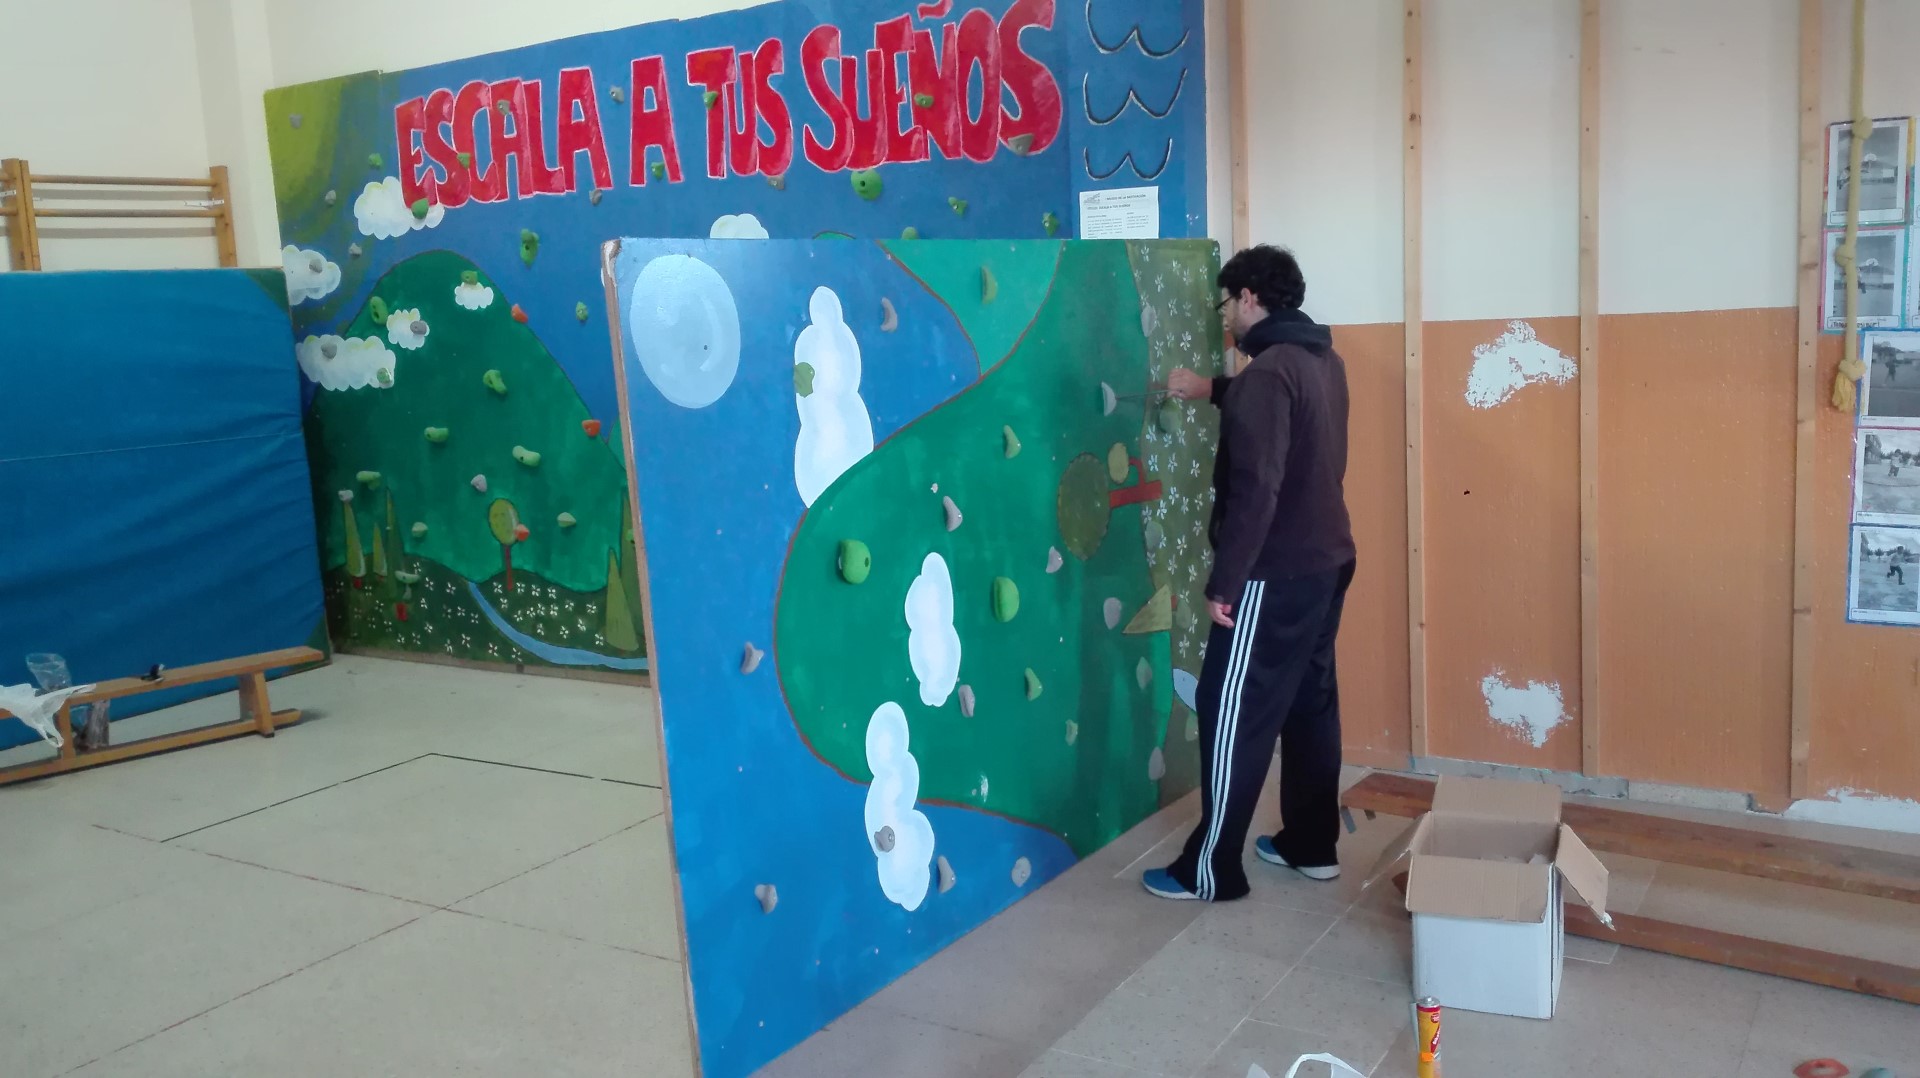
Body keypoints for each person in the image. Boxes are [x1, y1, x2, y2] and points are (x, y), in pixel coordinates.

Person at [1140, 244, 1357, 903]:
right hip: (1327, 561)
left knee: (1229, 707)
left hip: (1273, 572)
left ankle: (1210, 869)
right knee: (1309, 702)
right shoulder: (1321, 361)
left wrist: (1225, 582)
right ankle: (1311, 845)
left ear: (1249, 298)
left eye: (1227, 304)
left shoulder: (1268, 375)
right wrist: (1210, 389)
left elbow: (1256, 490)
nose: (1227, 318)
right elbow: (1276, 410)